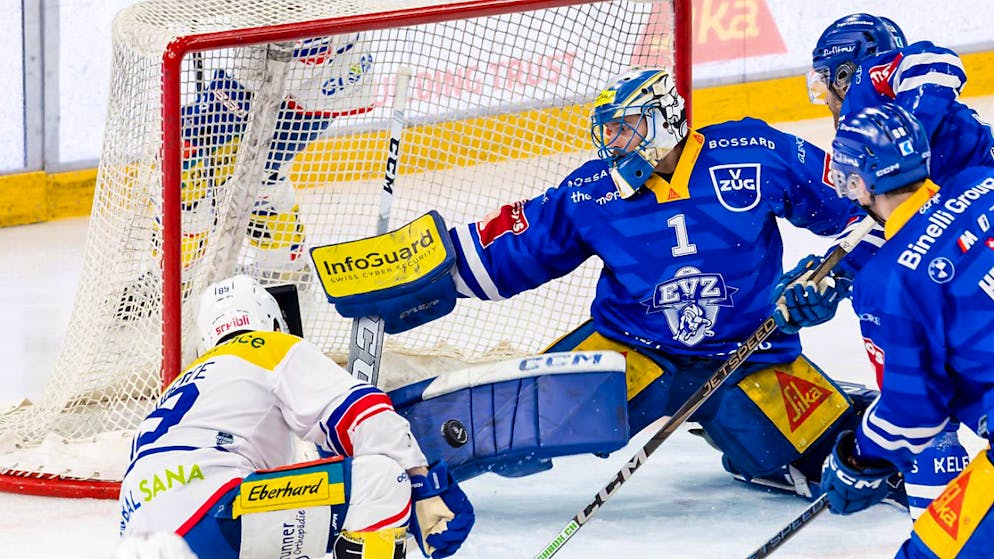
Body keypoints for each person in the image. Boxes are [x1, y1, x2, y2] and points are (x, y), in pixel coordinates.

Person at [333, 67, 896, 503]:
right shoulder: (593, 190)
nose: (614, 144)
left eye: (627, 128)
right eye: (608, 132)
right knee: (509, 425)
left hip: (753, 355)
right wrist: (420, 270)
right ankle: (375, 448)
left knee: (832, 464)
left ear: (666, 118)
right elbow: (510, 251)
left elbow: (871, 211)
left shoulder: (759, 151)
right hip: (632, 349)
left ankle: (840, 408)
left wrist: (830, 278)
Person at [116, 275, 474, 559]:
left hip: (141, 541)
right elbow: (362, 414)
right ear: (271, 319)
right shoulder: (268, 346)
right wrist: (422, 484)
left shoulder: (179, 386)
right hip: (213, 514)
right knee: (384, 482)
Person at [801, 12, 991, 518]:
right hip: (964, 214)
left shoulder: (871, 86)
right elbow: (897, 228)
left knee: (926, 369)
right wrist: (833, 266)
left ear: (846, 73)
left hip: (951, 222)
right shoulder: (961, 182)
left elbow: (937, 62)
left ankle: (935, 519)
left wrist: (866, 454)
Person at [818, 103, 994, 558]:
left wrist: (862, 459)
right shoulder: (982, 182)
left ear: (858, 182)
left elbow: (913, 409)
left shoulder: (890, 278)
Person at [808, 13, 994, 186]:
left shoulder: (865, 79)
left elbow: (934, 61)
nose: (826, 101)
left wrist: (910, 130)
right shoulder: (870, 131)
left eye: (825, 79)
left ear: (843, 76)